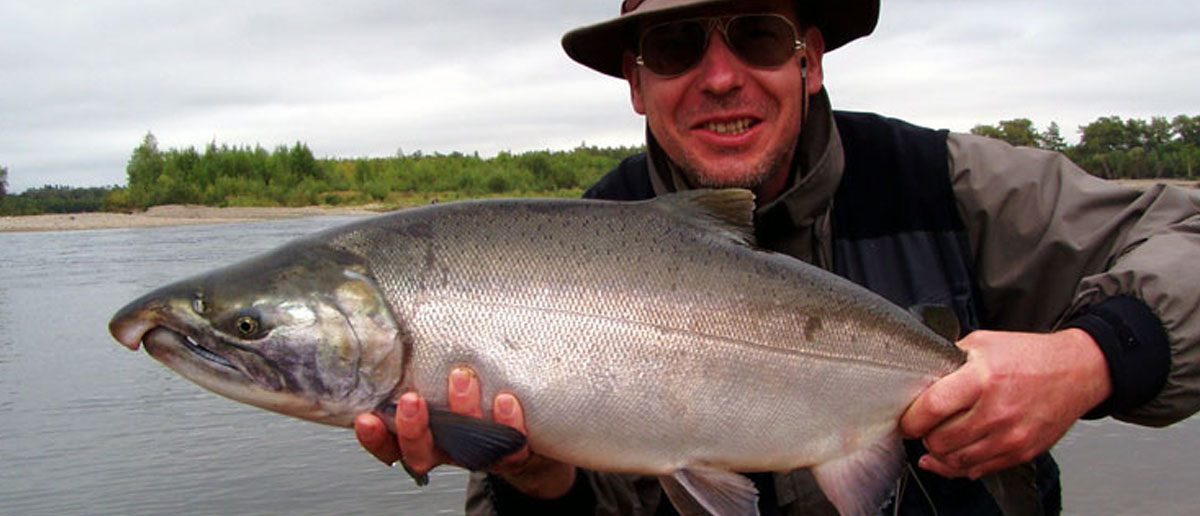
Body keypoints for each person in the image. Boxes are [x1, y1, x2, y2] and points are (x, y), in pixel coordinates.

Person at [354, 0, 1200, 514]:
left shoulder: (951, 185)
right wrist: (538, 488)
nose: (721, 77)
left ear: (811, 61)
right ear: (636, 84)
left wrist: (1093, 358)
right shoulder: (553, 262)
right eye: (678, 46)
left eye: (757, 36)